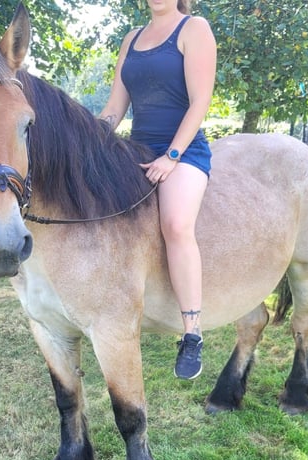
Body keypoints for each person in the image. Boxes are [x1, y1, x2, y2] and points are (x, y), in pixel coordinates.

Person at [99, 0, 216, 380]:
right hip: (137, 150)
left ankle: (192, 333)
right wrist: (92, 137)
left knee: (176, 225)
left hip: (183, 153)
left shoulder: (194, 29)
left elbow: (200, 102)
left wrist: (172, 156)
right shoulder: (131, 38)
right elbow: (116, 106)